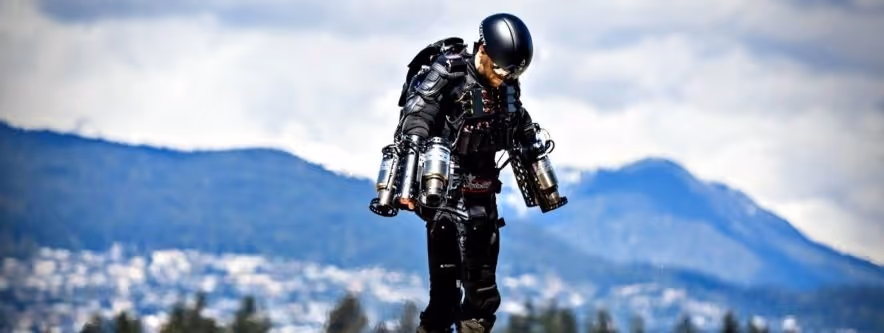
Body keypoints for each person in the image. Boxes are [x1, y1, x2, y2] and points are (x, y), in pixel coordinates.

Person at [380, 13, 566, 333]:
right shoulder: (449, 72)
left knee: (482, 299)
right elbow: (416, 118)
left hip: (483, 194)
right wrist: (406, 185)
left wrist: (540, 171)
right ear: (483, 50)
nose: (504, 77)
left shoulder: (507, 85)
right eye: (500, 69)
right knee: (445, 299)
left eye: (513, 72)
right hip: (443, 194)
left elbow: (519, 123)